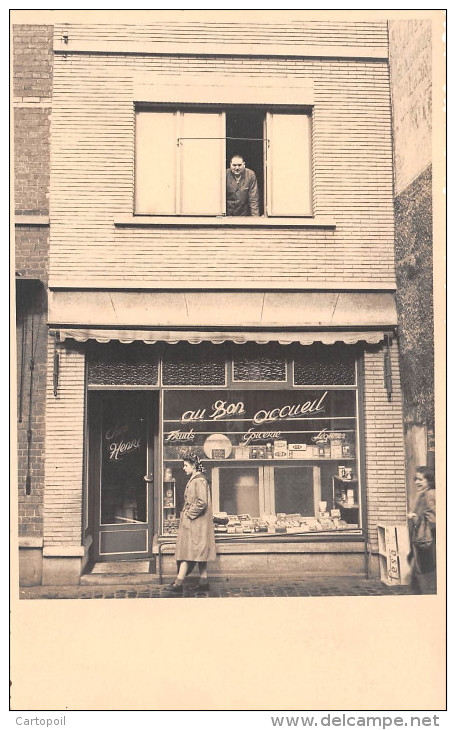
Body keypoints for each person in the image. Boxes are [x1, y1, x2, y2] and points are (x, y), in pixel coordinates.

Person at [164, 452, 216, 594]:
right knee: (199, 552)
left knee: (187, 552)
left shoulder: (198, 480)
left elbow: (202, 502)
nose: (184, 468)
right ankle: (204, 581)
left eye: (186, 465)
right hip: (198, 523)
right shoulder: (197, 479)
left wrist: (188, 514)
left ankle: (178, 583)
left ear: (194, 466)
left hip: (195, 523)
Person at [407, 466, 436, 594]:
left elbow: (434, 519)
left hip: (428, 542)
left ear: (429, 481)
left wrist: (415, 517)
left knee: (426, 574)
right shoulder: (422, 494)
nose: (416, 482)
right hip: (420, 542)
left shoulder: (429, 495)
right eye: (415, 479)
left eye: (420, 480)